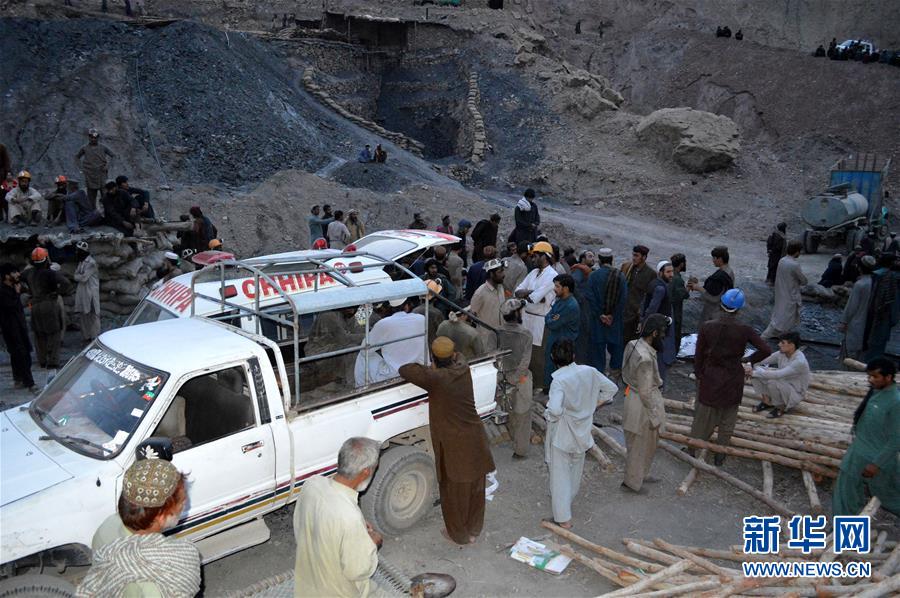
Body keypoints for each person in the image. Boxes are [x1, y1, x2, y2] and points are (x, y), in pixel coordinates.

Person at [399, 338, 495, 545]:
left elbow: (405, 369)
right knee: (476, 487)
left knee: (453, 492)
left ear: (433, 358)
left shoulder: (436, 378)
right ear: (452, 356)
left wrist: (430, 366)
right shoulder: (463, 366)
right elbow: (457, 354)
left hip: (454, 445)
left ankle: (459, 535)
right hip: (476, 439)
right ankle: (474, 530)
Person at [79, 459, 200, 598]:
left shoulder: (107, 526)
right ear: (161, 516)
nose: (184, 505)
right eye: (182, 502)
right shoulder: (161, 581)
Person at [293, 437, 383, 597]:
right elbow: (357, 571)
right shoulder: (349, 517)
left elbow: (301, 528)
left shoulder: (311, 484)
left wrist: (358, 530)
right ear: (366, 471)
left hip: (305, 586)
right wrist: (372, 542)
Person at [544, 339, 618, 527]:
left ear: (553, 357)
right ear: (574, 356)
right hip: (583, 430)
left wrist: (552, 414)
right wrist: (593, 404)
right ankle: (566, 505)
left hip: (563, 433)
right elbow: (612, 389)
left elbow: (554, 410)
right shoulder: (590, 372)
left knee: (560, 476)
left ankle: (563, 519)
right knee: (575, 471)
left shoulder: (559, 381)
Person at [692, 289, 771, 464]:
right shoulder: (744, 330)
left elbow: (699, 355)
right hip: (733, 377)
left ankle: (692, 448)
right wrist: (749, 359)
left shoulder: (708, 326)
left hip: (711, 376)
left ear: (721, 304)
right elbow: (766, 349)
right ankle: (720, 456)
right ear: (739, 309)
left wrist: (699, 374)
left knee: (703, 416)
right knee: (728, 419)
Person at [832, 358, 900, 517]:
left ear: (888, 377)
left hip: (875, 459)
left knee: (890, 497)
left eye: (875, 376)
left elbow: (897, 439)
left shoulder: (895, 402)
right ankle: (845, 531)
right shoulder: (876, 392)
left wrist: (876, 464)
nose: (870, 380)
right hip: (857, 453)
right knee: (846, 493)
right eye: (869, 376)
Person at [621, 314, 668, 493]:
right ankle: (632, 483)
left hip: (633, 397)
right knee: (639, 446)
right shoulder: (645, 359)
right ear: (654, 333)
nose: (663, 338)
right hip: (642, 406)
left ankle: (642, 474)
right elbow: (645, 392)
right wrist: (656, 416)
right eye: (662, 334)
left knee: (647, 444)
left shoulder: (633, 344)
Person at [515, 242, 558, 391]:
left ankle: (540, 386)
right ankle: (529, 382)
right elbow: (518, 291)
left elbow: (536, 298)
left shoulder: (552, 275)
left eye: (536, 256)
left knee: (538, 355)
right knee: (526, 352)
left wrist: (530, 294)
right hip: (527, 317)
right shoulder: (533, 273)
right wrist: (532, 292)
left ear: (545, 256)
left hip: (540, 320)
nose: (533, 259)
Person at [354, 297, 426, 386]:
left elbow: (365, 350)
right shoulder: (421, 318)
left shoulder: (383, 324)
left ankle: (361, 387)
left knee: (362, 356)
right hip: (421, 366)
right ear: (407, 306)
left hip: (395, 373)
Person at [497, 298, 533, 459]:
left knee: (508, 410)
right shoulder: (525, 334)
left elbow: (494, 357)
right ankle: (520, 450)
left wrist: (502, 376)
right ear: (518, 313)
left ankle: (513, 440)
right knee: (523, 415)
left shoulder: (497, 331)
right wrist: (515, 378)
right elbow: (525, 361)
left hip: (502, 378)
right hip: (520, 380)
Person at [26, 247, 73, 370]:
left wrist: (27, 293)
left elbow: (18, 280)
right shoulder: (50, 273)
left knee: (39, 334)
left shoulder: (29, 273)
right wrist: (57, 292)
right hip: (49, 305)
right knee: (55, 333)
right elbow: (66, 283)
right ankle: (53, 361)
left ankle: (42, 360)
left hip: (35, 305)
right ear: (46, 259)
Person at [585, 248, 627, 377]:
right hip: (614, 320)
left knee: (598, 347)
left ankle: (599, 373)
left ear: (599, 260)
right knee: (616, 345)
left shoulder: (593, 276)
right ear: (612, 260)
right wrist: (612, 315)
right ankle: (615, 371)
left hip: (598, 320)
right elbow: (623, 299)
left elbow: (590, 298)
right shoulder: (620, 276)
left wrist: (600, 315)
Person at [749, 332, 811, 418]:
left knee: (772, 382)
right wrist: (750, 363)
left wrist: (754, 372)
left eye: (782, 343)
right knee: (756, 373)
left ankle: (781, 407)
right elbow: (764, 360)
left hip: (795, 392)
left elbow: (778, 375)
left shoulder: (799, 361)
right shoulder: (781, 353)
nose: (779, 344)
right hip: (782, 382)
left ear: (792, 345)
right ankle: (767, 402)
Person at [0, 263, 38, 393]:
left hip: (20, 325)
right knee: (21, 354)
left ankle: (18, 379)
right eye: (14, 273)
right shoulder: (2, 291)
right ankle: (30, 383)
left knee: (21, 353)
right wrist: (17, 294)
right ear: (6, 276)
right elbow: (10, 306)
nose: (17, 275)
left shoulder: (15, 286)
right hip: (10, 327)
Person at [762, 241, 807, 339]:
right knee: (783, 320)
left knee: (779, 315)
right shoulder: (794, 265)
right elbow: (803, 280)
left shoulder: (782, 260)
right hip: (790, 295)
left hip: (781, 292)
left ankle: (780, 338)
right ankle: (768, 338)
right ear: (796, 252)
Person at [641, 261, 676, 383]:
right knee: (660, 356)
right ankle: (658, 383)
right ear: (660, 273)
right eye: (668, 272)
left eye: (672, 271)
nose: (671, 274)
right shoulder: (660, 288)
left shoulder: (655, 284)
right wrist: (666, 320)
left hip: (654, 327)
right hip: (657, 329)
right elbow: (652, 309)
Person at [543, 274, 580, 387]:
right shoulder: (560, 301)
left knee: (559, 376)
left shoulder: (570, 305)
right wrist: (550, 318)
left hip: (563, 347)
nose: (555, 289)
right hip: (555, 341)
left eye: (557, 286)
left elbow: (552, 323)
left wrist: (550, 318)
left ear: (566, 288)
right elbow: (548, 316)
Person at [864, 254, 899, 361]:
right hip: (883, 315)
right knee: (877, 342)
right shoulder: (889, 277)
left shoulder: (878, 275)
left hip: (875, 313)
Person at [841, 256, 876, 360]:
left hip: (856, 321)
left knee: (850, 352)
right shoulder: (874, 282)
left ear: (859, 268)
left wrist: (844, 321)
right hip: (868, 322)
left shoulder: (860, 284)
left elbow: (852, 306)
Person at [690, 246, 735, 324]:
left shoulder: (720, 277)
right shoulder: (729, 272)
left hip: (713, 313)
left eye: (714, 258)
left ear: (720, 259)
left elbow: (714, 298)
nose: (713, 261)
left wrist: (698, 288)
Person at [620, 245, 655, 344]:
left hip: (636, 315)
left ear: (644, 257)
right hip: (623, 311)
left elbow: (649, 296)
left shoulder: (650, 274)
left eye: (637, 255)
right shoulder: (627, 267)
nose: (634, 258)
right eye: (633, 255)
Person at [468, 258, 505, 349]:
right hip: (486, 340)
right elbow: (471, 316)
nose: (503, 275)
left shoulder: (500, 288)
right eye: (500, 272)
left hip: (500, 336)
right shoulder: (480, 293)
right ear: (492, 274)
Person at [75, 129, 115, 208]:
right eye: (91, 137)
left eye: (95, 137)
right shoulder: (85, 148)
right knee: (91, 197)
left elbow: (113, 156)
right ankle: (93, 215)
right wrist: (81, 168)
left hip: (102, 174)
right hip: (90, 175)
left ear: (98, 138)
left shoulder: (103, 147)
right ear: (89, 137)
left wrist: (108, 166)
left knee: (105, 195)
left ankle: (108, 214)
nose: (93, 139)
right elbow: (77, 157)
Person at [570, 250, 595, 364]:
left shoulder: (586, 271)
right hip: (581, 310)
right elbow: (573, 284)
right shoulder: (580, 271)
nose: (592, 258)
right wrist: (581, 298)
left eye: (593, 256)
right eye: (590, 256)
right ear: (582, 258)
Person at [74, 241, 101, 342]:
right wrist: (79, 276)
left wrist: (78, 276)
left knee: (93, 315)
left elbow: (83, 278)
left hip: (91, 293)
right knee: (83, 315)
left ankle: (95, 336)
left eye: (78, 251)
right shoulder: (81, 262)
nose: (76, 253)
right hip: (83, 292)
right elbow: (75, 276)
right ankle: (87, 336)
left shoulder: (91, 263)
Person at [669, 253, 689, 353]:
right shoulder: (678, 279)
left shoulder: (670, 275)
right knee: (675, 333)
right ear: (681, 264)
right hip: (675, 310)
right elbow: (684, 295)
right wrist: (689, 288)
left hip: (669, 309)